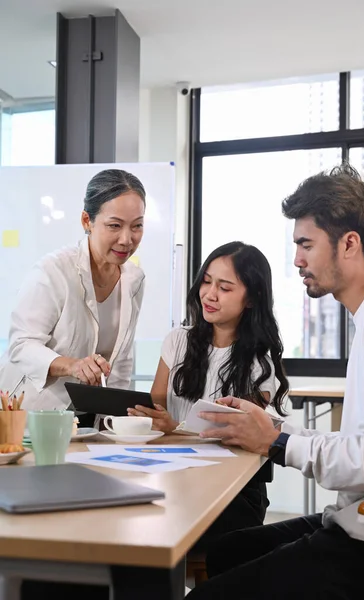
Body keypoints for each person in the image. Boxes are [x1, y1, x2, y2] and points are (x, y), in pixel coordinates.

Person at [186, 164, 364, 600]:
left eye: (306, 245)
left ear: (350, 244)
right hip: (354, 519)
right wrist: (273, 430)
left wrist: (277, 444)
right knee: (228, 551)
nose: (297, 260)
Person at [128, 241, 289, 549]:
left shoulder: (261, 362)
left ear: (252, 298)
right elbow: (156, 408)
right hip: (173, 474)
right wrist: (152, 419)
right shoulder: (177, 341)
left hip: (232, 489)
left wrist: (174, 427)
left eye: (225, 288)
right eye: (206, 281)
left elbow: (238, 435)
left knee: (170, 529)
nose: (210, 294)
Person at [0, 169, 146, 418]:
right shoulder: (54, 270)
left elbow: (120, 363)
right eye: (114, 225)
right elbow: (21, 345)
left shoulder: (134, 279)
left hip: (87, 419)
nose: (126, 239)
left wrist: (118, 420)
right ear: (87, 221)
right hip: (29, 412)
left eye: (137, 226)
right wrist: (72, 365)